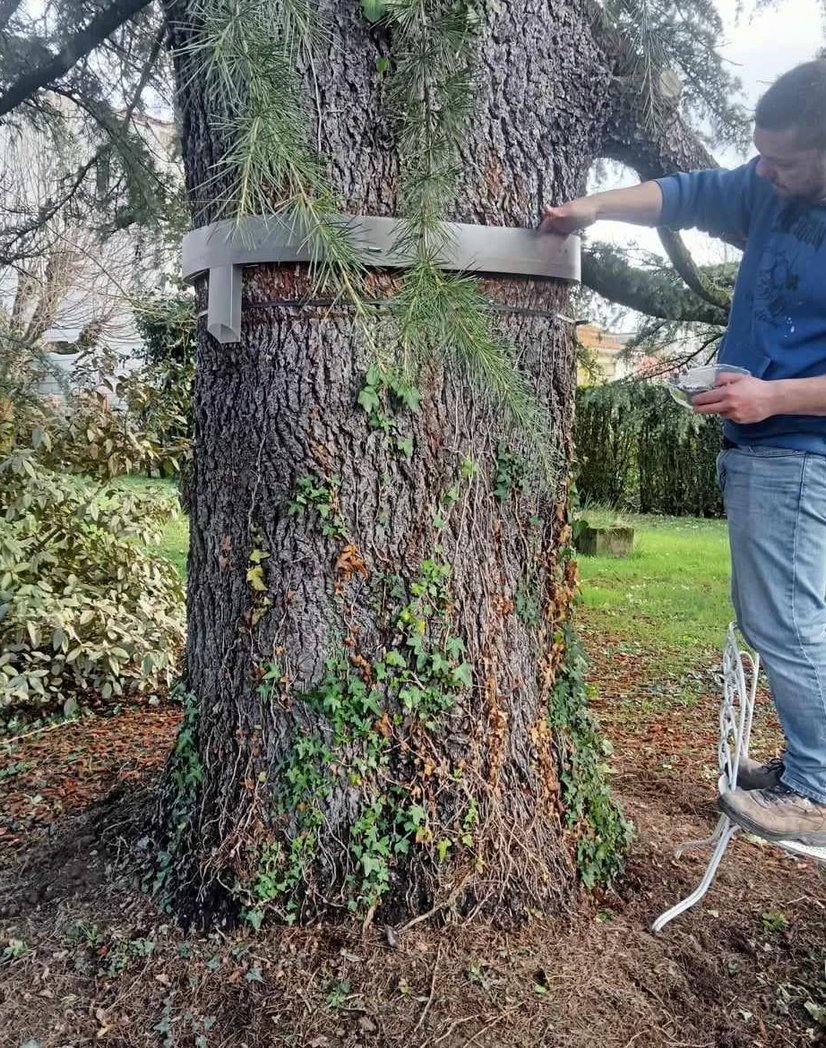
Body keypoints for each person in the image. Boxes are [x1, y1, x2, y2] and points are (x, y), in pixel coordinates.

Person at [541, 60, 826, 847]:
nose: (764, 172)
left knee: (788, 626)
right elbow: (690, 192)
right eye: (760, 155)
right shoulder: (770, 188)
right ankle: (812, 764)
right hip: (770, 446)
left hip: (801, 451)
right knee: (789, 619)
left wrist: (771, 398)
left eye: (784, 160)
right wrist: (594, 205)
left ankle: (818, 789)